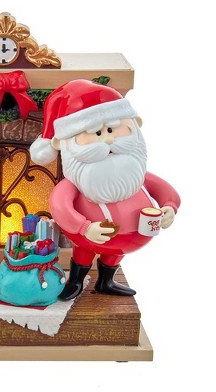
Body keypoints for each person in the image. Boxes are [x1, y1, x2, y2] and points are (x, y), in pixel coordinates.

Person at [30, 79, 181, 299]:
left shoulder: (136, 173)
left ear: (135, 125)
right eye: (96, 133)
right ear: (63, 143)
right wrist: (84, 227)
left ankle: (106, 281)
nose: (108, 139)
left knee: (114, 255)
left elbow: (165, 190)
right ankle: (76, 281)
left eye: (112, 129)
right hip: (88, 236)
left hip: (130, 238)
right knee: (83, 252)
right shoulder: (76, 183)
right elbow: (60, 205)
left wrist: (170, 206)